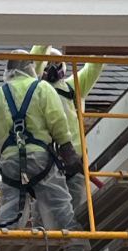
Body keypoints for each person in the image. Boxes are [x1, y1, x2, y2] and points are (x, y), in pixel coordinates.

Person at [0, 50, 88, 251]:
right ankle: (75, 249)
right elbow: (57, 121)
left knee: (12, 206)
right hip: (40, 160)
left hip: (9, 164)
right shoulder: (42, 89)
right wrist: (67, 149)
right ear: (30, 67)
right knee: (60, 202)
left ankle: (0, 250)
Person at [42, 48, 104, 225]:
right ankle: (51, 243)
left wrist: (99, 42)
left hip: (74, 158)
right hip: (47, 160)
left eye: (55, 63)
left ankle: (71, 242)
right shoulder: (35, 91)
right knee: (45, 209)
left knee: (75, 208)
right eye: (46, 64)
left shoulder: (72, 87)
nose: (51, 68)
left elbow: (95, 67)